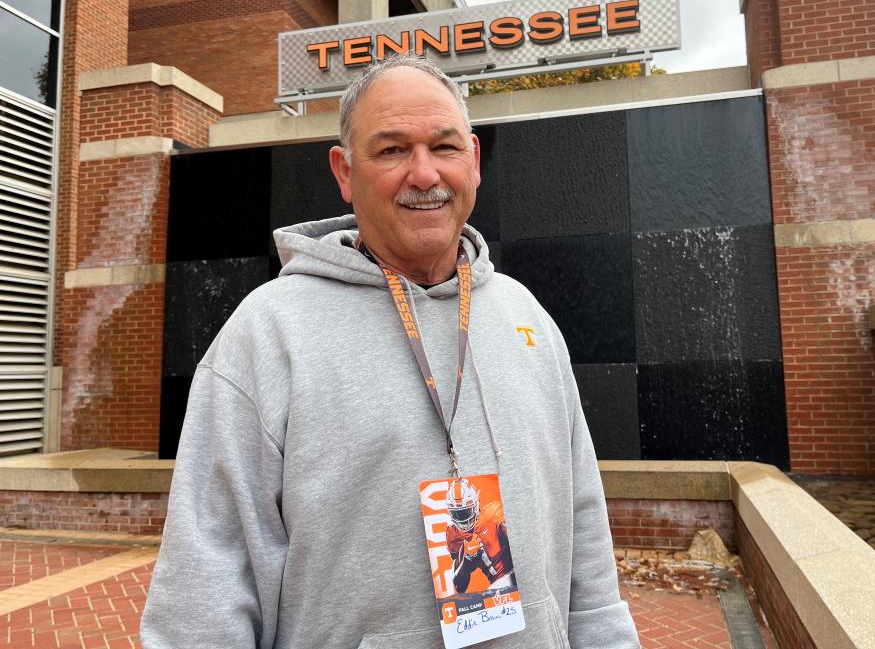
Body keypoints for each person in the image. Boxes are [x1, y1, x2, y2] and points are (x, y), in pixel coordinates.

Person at [140, 54, 640, 649]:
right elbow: (205, 592)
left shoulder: (527, 318)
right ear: (345, 172)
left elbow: (585, 529)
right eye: (392, 149)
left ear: (474, 162)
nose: (424, 174)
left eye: (445, 147)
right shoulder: (266, 335)